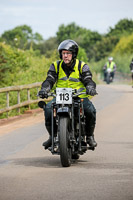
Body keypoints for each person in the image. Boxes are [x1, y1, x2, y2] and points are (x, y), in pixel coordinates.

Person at [38, 39, 97, 149]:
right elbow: (49, 80)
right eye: (63, 53)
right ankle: (52, 136)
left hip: (79, 96)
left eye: (68, 53)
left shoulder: (82, 66)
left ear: (73, 54)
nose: (65, 56)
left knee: (90, 110)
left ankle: (89, 136)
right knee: (48, 109)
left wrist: (90, 87)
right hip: (61, 97)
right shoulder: (55, 66)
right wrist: (44, 89)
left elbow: (88, 79)